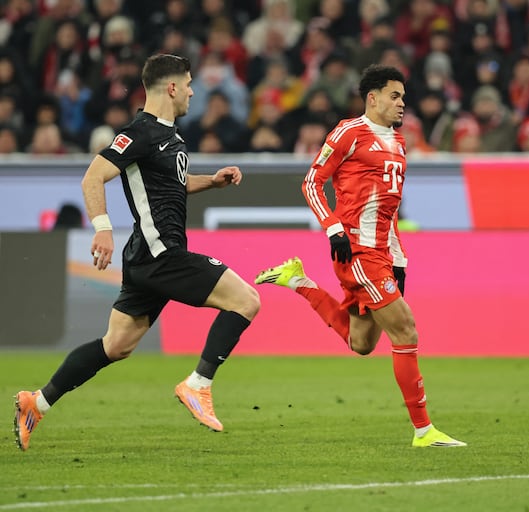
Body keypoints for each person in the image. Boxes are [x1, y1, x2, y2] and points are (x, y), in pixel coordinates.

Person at [13, 54, 261, 451]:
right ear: (172, 87)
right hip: (160, 253)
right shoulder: (140, 132)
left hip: (148, 256)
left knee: (117, 345)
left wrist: (211, 182)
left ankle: (36, 403)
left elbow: (170, 186)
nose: (194, 91)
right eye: (190, 83)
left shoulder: (172, 136)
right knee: (246, 300)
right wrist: (102, 229)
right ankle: (198, 384)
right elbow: (94, 176)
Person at [254, 64, 465, 448]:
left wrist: (399, 258)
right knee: (406, 330)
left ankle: (297, 280)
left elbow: (389, 208)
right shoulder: (349, 132)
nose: (402, 103)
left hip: (384, 251)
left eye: (404, 96)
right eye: (395, 95)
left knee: (362, 342)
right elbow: (311, 182)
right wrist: (333, 228)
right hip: (356, 248)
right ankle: (424, 431)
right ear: (373, 97)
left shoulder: (399, 143)